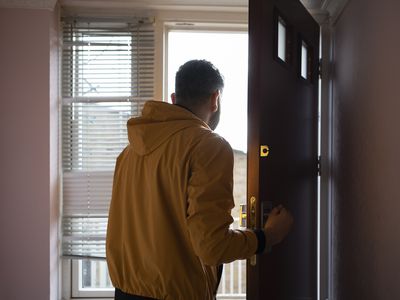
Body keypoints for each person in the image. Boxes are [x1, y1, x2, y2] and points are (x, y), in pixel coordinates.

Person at [106, 59, 293, 300]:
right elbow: (212, 247)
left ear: (174, 99)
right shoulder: (208, 146)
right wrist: (267, 237)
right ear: (216, 98)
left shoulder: (129, 153)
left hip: (124, 293)